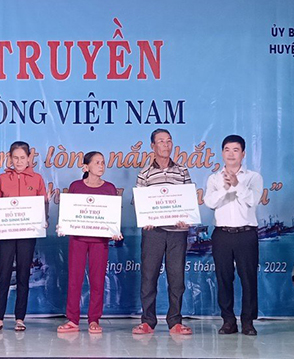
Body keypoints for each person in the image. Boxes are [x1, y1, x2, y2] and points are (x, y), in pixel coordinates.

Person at [133, 129, 193, 336]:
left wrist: (186, 216)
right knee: (148, 277)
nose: (166, 145)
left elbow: (187, 200)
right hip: (154, 233)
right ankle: (147, 321)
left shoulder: (182, 171)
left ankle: (175, 321)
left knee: (176, 277)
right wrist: (146, 219)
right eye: (161, 141)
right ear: (153, 146)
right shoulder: (145, 174)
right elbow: (140, 203)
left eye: (169, 141)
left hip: (177, 232)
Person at [57, 152, 123, 334]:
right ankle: (72, 320)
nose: (101, 166)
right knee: (74, 279)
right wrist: (63, 225)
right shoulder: (76, 186)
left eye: (103, 162)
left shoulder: (109, 188)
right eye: (97, 162)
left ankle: (94, 319)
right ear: (86, 167)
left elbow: (113, 216)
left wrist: (115, 231)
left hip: (100, 241)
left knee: (97, 280)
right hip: (78, 239)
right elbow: (69, 212)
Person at [204, 135, 263, 336]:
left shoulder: (253, 177)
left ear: (243, 154)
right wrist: (226, 188)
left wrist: (237, 184)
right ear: (222, 153)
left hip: (246, 234)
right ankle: (228, 320)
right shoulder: (214, 178)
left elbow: (253, 201)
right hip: (222, 234)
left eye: (235, 150)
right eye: (227, 150)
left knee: (248, 278)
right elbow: (210, 202)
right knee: (223, 278)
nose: (231, 154)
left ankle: (248, 321)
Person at [0, 141, 47, 332]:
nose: (19, 161)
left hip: (27, 234)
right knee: (3, 273)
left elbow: (43, 203)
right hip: (6, 234)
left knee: (23, 274)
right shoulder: (2, 178)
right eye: (15, 158)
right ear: (10, 158)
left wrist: (43, 219)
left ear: (29, 158)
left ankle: (20, 318)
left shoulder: (37, 179)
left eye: (23, 157)